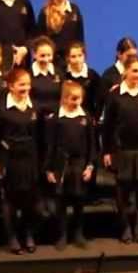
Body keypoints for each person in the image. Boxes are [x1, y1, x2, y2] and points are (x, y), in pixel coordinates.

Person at [102, 57, 138, 243]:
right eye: (135, 71)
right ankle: (125, 227)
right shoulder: (115, 95)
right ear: (125, 72)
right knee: (123, 191)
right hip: (122, 150)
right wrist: (107, 151)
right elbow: (108, 126)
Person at [0, 68, 42, 254]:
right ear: (11, 86)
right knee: (10, 201)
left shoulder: (34, 106)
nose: (26, 88)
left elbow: (39, 137)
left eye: (28, 84)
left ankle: (28, 234)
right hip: (9, 159)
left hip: (30, 159)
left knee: (30, 201)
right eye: (21, 85)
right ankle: (12, 237)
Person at [45, 81, 96, 249]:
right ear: (64, 99)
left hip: (79, 163)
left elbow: (91, 144)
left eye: (79, 98)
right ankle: (62, 234)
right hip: (61, 164)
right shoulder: (56, 118)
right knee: (61, 202)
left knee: (79, 200)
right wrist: (49, 169)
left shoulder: (85, 117)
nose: (77, 102)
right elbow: (50, 145)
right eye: (73, 98)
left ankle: (78, 233)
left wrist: (89, 166)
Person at [37, 0, 85, 66]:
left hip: (71, 59)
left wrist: (80, 55)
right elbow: (40, 38)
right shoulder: (45, 12)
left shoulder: (74, 9)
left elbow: (80, 36)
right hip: (52, 60)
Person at [29, 37, 62, 118]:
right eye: (42, 56)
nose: (46, 59)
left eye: (49, 55)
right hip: (36, 119)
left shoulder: (59, 74)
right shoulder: (28, 75)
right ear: (34, 54)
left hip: (55, 119)